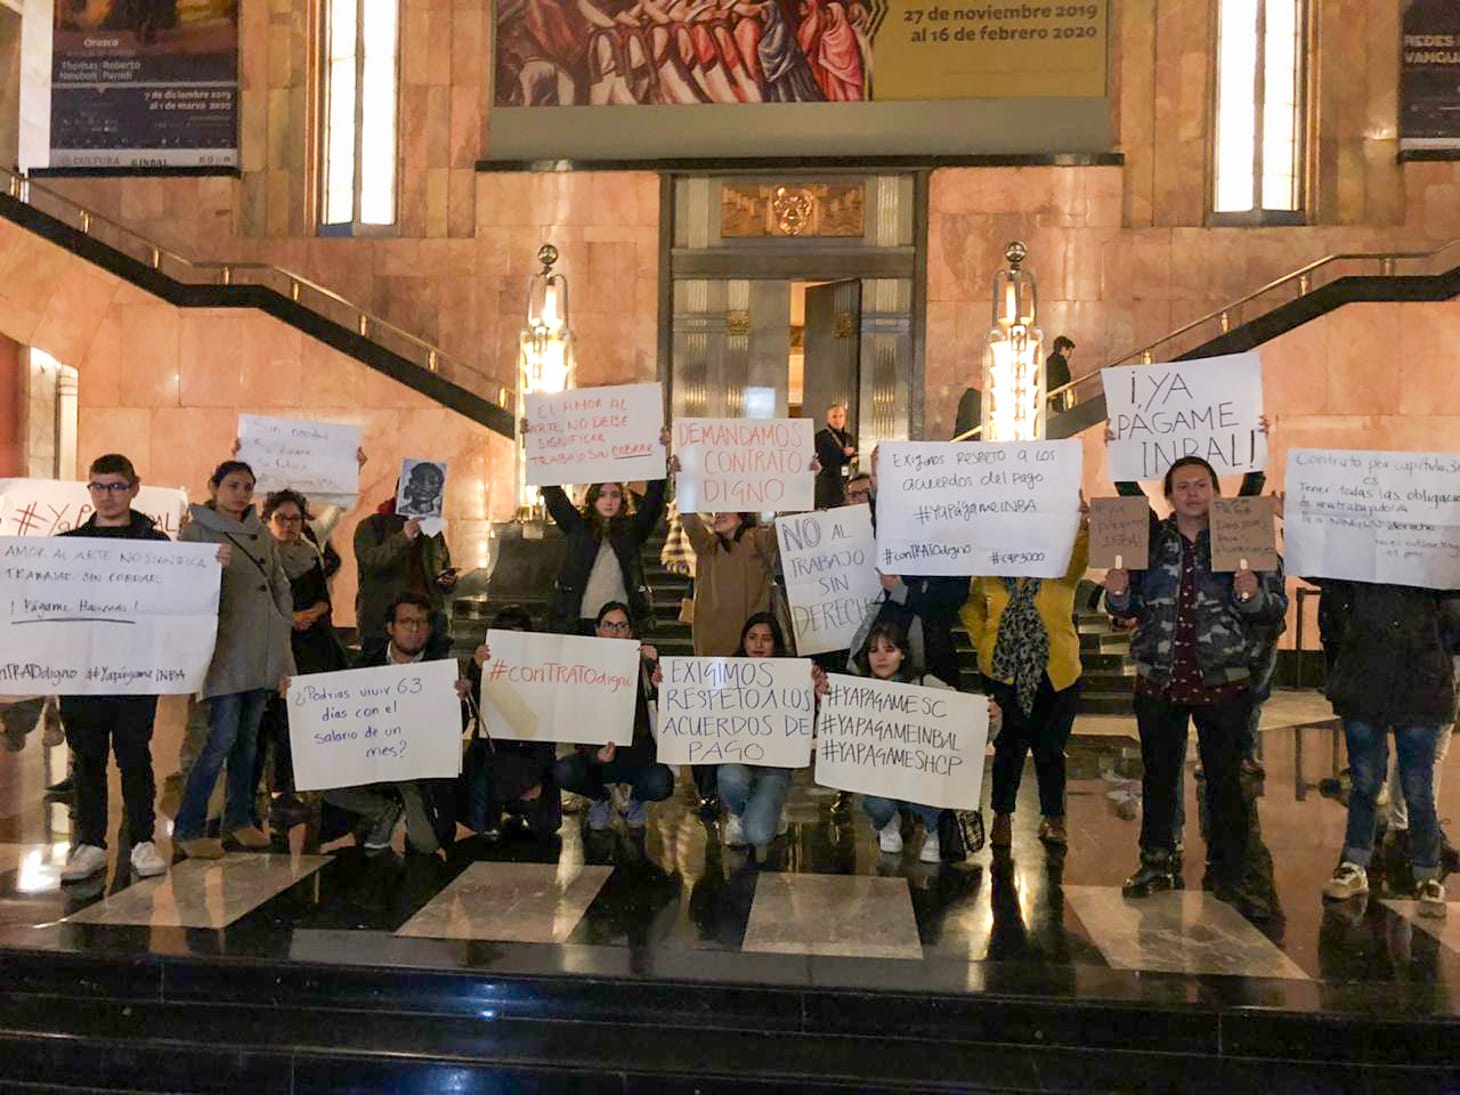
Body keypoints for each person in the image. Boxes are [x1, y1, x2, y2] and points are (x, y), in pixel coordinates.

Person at [1104, 456, 1287, 902]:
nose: (1192, 493)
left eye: (1201, 485)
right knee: (1158, 776)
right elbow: (1126, 609)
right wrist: (1118, 592)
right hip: (1159, 679)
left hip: (1224, 680)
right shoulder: (1147, 541)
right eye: (1182, 486)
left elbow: (1274, 608)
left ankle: (1229, 868)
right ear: (1168, 495)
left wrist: (1251, 595)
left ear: (1216, 491)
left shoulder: (1244, 535)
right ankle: (1156, 860)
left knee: (1225, 780)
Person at [55, 454, 182, 883]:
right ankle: (90, 842)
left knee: (134, 754)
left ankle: (142, 839)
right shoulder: (68, 545)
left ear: (134, 488)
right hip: (81, 669)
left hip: (135, 669)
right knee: (87, 758)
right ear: (89, 489)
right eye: (99, 486)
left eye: (116, 486)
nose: (107, 495)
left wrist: (210, 567)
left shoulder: (156, 545)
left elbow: (181, 597)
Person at [174, 460, 296, 860]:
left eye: (247, 486)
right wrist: (208, 570)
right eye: (233, 485)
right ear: (214, 486)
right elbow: (182, 591)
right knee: (220, 740)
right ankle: (189, 826)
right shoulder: (196, 531)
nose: (241, 493)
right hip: (225, 653)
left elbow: (278, 583)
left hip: (261, 651)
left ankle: (240, 819)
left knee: (248, 743)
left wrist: (282, 630)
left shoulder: (260, 532)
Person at [1316, 581, 1459, 916]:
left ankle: (1427, 872)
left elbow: (1454, 621)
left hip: (1420, 678)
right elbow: (1329, 586)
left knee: (1417, 786)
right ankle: (1355, 863)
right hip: (1365, 674)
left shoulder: (1437, 563)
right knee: (1366, 781)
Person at [962, 497, 1090, 850]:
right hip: (1002, 672)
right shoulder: (991, 571)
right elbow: (972, 606)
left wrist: (1081, 522)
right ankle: (1002, 815)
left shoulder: (1061, 566)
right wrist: (984, 640)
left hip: (1057, 672)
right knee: (1008, 747)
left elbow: (1083, 551)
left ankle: (1054, 817)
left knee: (1051, 748)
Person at [830, 618, 999, 864]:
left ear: (903, 654)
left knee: (926, 791)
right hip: (881, 778)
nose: (881, 657)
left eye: (889, 649)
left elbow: (967, 723)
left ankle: (934, 830)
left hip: (922, 777)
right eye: (874, 650)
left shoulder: (926, 684)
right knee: (876, 804)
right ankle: (887, 823)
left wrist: (990, 717)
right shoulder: (857, 693)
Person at [323, 593, 471, 853]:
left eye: (421, 622)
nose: (414, 629)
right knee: (322, 781)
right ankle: (383, 811)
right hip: (371, 762)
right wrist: (293, 692)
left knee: (426, 845)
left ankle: (402, 810)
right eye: (406, 622)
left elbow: (457, 727)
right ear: (390, 627)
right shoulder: (365, 665)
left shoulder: (441, 669)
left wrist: (459, 701)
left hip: (417, 772)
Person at [255, 489, 348, 826]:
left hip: (312, 646)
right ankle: (272, 789)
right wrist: (289, 618)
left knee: (305, 719)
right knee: (274, 720)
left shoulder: (310, 553)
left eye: (295, 518)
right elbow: (256, 602)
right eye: (281, 518)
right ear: (268, 519)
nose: (289, 525)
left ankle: (302, 784)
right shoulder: (259, 555)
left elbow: (323, 598)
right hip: (274, 648)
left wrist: (311, 613)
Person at [530, 423, 670, 635]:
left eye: (615, 495)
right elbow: (553, 495)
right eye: (602, 495)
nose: (609, 501)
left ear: (622, 500)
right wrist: (536, 442)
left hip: (620, 623)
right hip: (580, 618)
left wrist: (660, 454)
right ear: (593, 499)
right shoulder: (578, 527)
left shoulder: (631, 531)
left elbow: (653, 501)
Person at [555, 602, 675, 830]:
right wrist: (596, 754)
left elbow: (668, 713)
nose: (615, 631)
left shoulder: (644, 666)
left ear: (630, 633)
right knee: (564, 771)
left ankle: (635, 798)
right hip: (597, 758)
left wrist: (655, 670)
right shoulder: (581, 668)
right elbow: (575, 720)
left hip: (638, 757)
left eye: (621, 626)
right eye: (608, 625)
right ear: (597, 630)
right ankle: (601, 798)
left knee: (660, 783)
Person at [718, 613, 820, 848]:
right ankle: (737, 813)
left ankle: (771, 806)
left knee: (759, 836)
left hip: (774, 767)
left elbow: (811, 725)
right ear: (743, 641)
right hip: (737, 760)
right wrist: (664, 685)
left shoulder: (794, 676)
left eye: (766, 638)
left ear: (776, 643)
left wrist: (816, 691)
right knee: (730, 778)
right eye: (752, 637)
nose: (758, 644)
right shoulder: (724, 674)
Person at [465, 605, 561, 842]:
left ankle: (516, 802)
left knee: (548, 825)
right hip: (493, 756)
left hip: (529, 756)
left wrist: (536, 780)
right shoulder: (482, 666)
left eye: (520, 637)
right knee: (480, 824)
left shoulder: (542, 671)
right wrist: (477, 670)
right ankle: (504, 801)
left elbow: (548, 734)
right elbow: (474, 711)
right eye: (507, 636)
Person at [354, 483, 457, 662]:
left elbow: (443, 567)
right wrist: (404, 536)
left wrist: (448, 581)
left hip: (428, 622)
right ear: (400, 494)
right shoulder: (372, 525)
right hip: (382, 625)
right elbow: (370, 562)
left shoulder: (433, 532)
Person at [814, 403, 856, 508]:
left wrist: (854, 457)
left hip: (845, 482)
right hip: (828, 485)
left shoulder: (849, 437)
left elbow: (852, 458)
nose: (838, 420)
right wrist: (845, 455)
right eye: (834, 417)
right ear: (828, 419)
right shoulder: (821, 437)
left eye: (841, 416)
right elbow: (827, 459)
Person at [1045, 336, 1074, 413]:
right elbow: (1058, 381)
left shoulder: (1051, 360)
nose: (1070, 354)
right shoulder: (1060, 362)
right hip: (1057, 399)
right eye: (1069, 350)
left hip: (1052, 398)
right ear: (1063, 349)